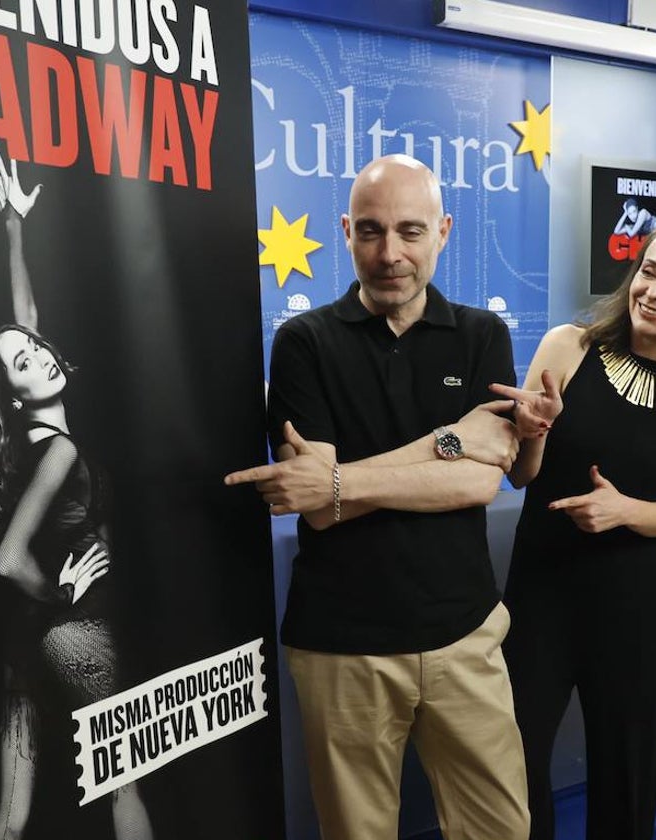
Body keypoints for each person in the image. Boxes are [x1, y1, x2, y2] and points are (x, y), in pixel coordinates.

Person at [224, 154, 530, 840]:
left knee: (499, 829)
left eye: (410, 231)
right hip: (342, 648)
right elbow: (318, 510)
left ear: (444, 231)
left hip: (464, 635)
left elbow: (481, 480)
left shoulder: (484, 335)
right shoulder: (303, 341)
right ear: (345, 231)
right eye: (370, 231)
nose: (389, 253)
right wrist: (447, 443)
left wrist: (339, 479)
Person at [493, 208, 656, 840]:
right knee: (513, 759)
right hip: (542, 595)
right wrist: (533, 432)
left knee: (627, 770)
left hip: (633, 605)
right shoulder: (569, 346)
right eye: (649, 271)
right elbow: (520, 476)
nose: (655, 292)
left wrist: (621, 511)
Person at [0, 147, 154, 840]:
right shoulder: (61, 449)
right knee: (124, 776)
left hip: (22, 641)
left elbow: (25, 325)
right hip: (74, 628)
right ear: (14, 396)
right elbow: (9, 558)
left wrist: (15, 226)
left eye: (37, 348)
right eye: (24, 361)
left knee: (11, 818)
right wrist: (61, 595)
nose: (41, 354)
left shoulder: (27, 440)